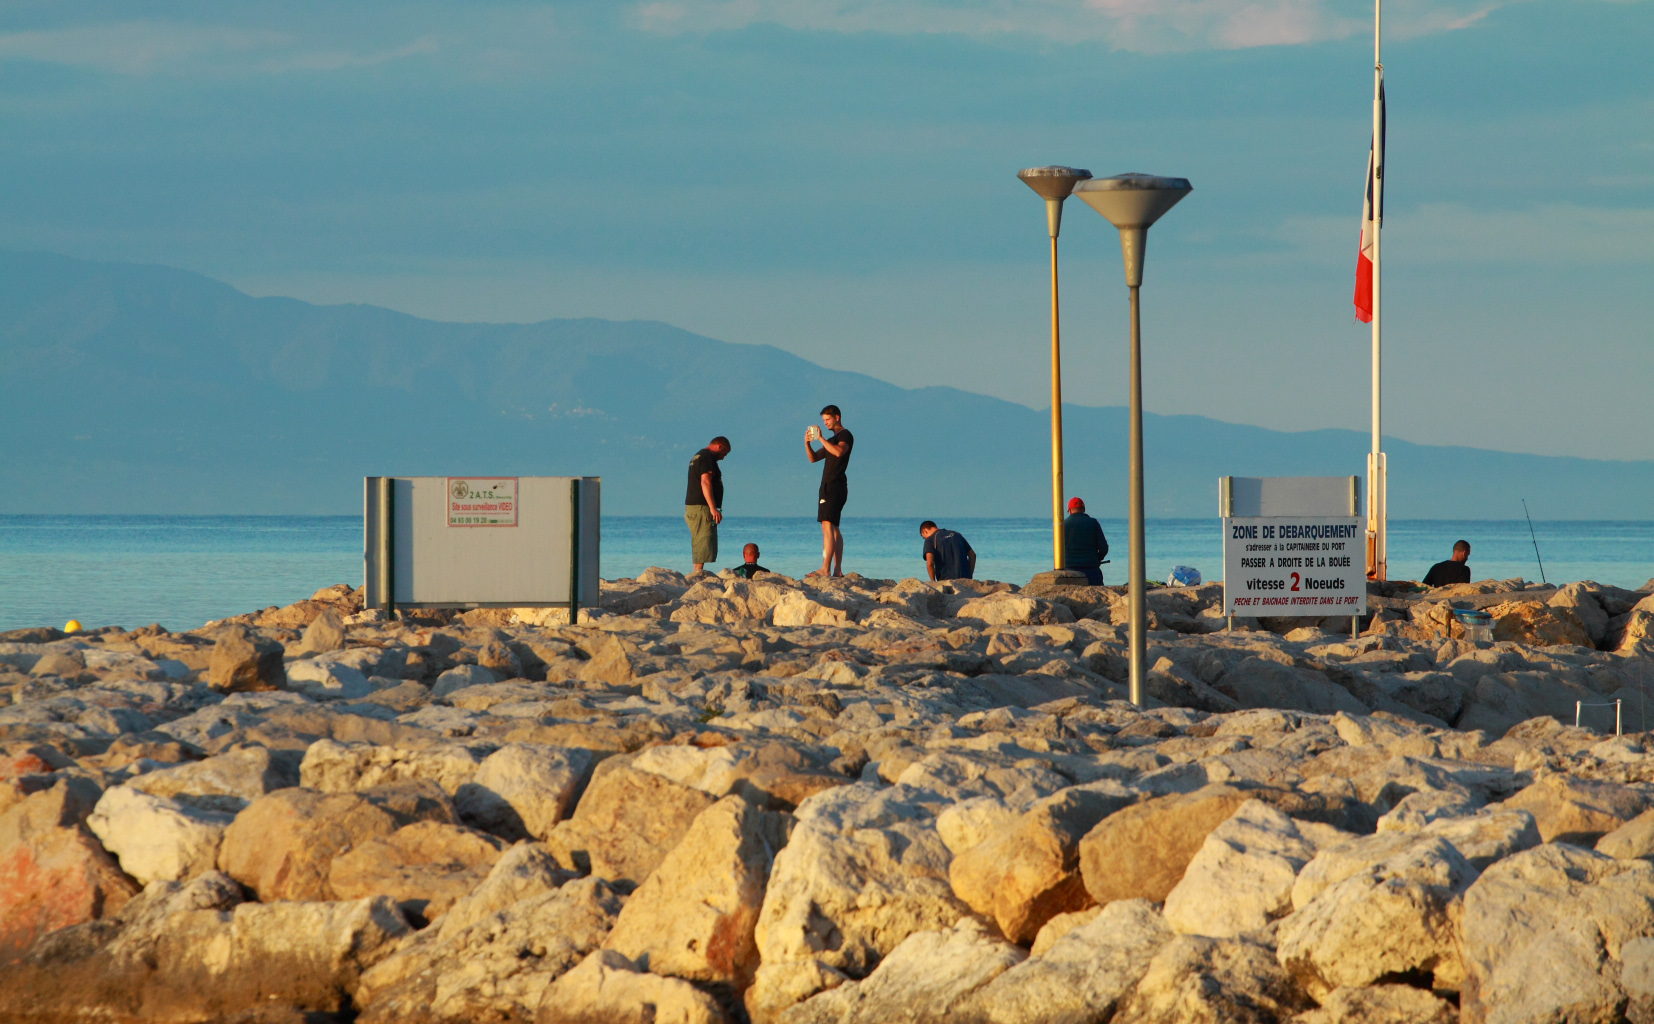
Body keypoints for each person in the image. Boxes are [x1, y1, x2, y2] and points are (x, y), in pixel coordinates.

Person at [804, 405, 853, 577]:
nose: (825, 423)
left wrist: (821, 439)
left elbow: (839, 452)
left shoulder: (845, 435)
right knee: (834, 528)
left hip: (834, 485)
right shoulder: (832, 440)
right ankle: (837, 570)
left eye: (827, 420)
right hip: (830, 485)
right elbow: (813, 458)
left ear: (837, 417)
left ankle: (825, 568)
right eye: (823, 420)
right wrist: (807, 443)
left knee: (827, 526)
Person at [684, 436, 730, 574]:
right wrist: (712, 508)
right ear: (719, 446)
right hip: (701, 507)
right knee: (702, 540)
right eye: (724, 453)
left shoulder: (698, 456)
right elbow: (705, 482)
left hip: (695, 506)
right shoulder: (706, 457)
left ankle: (696, 572)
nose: (723, 458)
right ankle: (696, 574)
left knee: (701, 539)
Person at [1062, 497, 1109, 585]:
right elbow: (1104, 548)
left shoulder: (1063, 525)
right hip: (1091, 570)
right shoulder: (1093, 523)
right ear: (1083, 509)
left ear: (1069, 511)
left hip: (1069, 570)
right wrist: (1098, 559)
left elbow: (1059, 550)